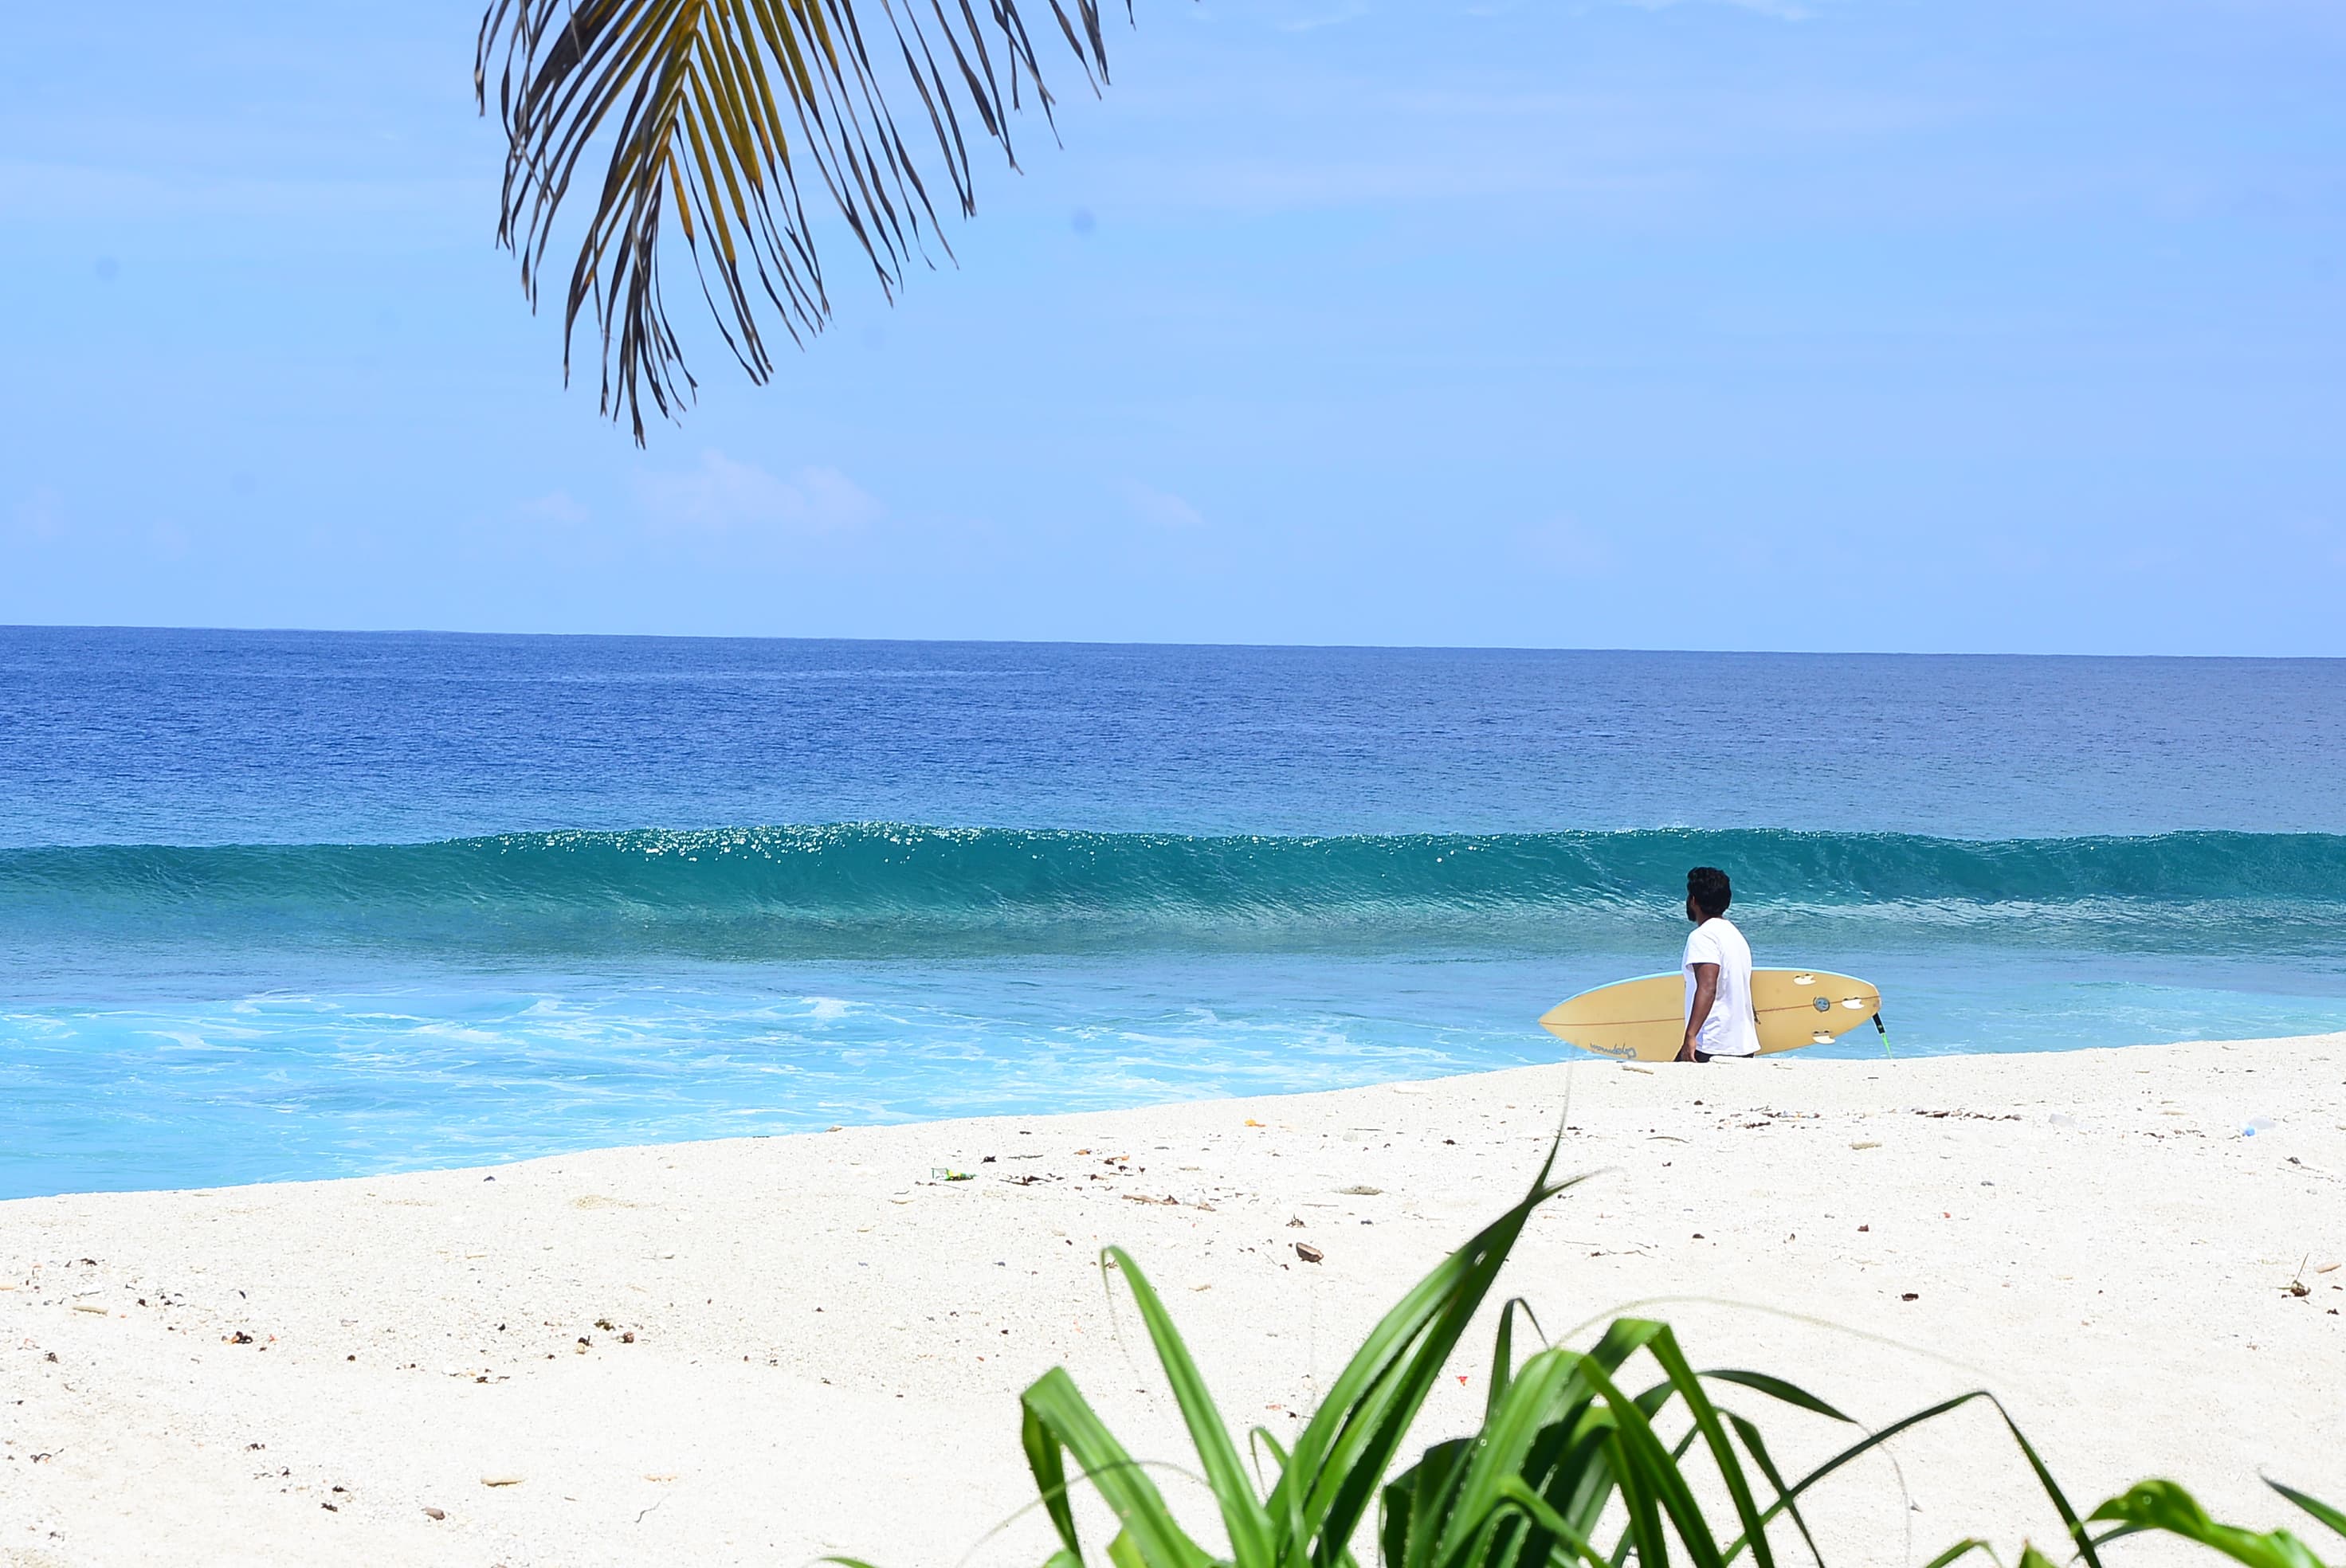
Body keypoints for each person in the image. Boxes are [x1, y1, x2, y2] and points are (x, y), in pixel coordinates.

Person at [1677, 865, 1759, 1063]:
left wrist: (1690, 1037)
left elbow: (1708, 986)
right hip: (1742, 1043)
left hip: (1713, 1043)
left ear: (1693, 901)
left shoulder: (1702, 937)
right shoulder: (1735, 935)